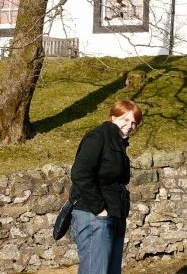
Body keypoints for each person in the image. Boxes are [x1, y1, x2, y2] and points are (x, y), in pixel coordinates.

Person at [69, 100, 143, 274]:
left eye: (134, 123)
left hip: (114, 216)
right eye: (125, 120)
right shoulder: (98, 137)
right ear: (113, 117)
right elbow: (80, 173)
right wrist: (99, 209)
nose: (130, 126)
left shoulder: (118, 143)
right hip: (94, 216)